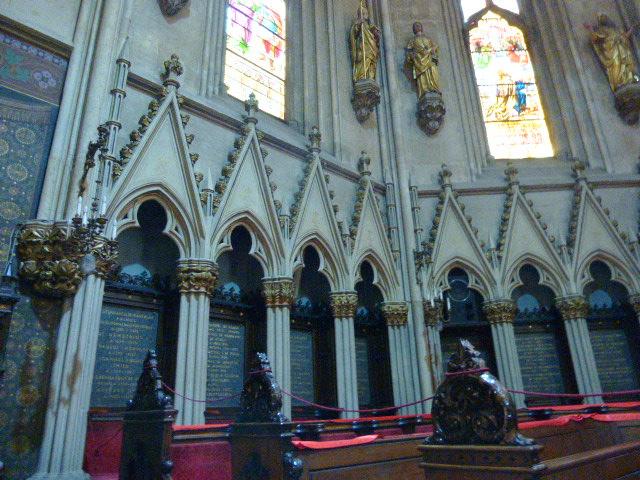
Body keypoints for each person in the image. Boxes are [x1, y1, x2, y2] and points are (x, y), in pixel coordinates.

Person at [587, 13, 639, 92]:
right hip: (612, 52)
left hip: (622, 51)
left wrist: (631, 29)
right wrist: (590, 29)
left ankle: (628, 80)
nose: (605, 20)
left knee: (625, 66)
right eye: (602, 19)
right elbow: (595, 38)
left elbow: (624, 36)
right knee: (616, 65)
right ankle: (619, 83)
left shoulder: (616, 30)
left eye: (605, 18)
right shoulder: (602, 30)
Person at [405, 22, 441, 99]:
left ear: (422, 27)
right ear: (413, 29)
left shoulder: (428, 39)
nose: (417, 27)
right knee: (422, 75)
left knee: (432, 69)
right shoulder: (412, 40)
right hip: (419, 61)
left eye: (419, 25)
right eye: (415, 26)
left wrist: (433, 50)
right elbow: (409, 52)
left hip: (429, 58)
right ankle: (424, 90)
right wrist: (412, 56)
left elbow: (435, 47)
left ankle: (434, 88)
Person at [349, 0, 380, 82]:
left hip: (372, 47)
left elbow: (376, 37)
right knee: (364, 60)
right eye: (363, 13)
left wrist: (376, 35)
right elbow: (354, 33)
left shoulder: (369, 26)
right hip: (363, 48)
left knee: (371, 63)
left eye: (366, 13)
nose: (365, 15)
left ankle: (370, 76)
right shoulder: (358, 23)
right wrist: (359, 24)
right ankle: (361, 76)